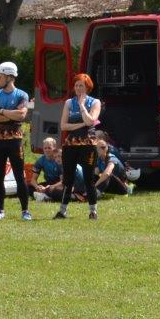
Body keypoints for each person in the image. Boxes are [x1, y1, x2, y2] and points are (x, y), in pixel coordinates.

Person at [0, 61, 31, 220]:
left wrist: (1, 111)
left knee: (20, 176)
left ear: (9, 77)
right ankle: (0, 210)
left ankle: (25, 211)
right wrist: (11, 116)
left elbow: (21, 115)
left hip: (15, 142)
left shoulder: (22, 95)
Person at [55, 73, 102, 219]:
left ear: (87, 87)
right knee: (68, 179)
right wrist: (81, 124)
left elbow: (90, 121)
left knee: (89, 178)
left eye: (81, 85)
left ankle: (93, 211)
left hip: (88, 145)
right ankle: (62, 211)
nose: (78, 88)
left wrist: (82, 105)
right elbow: (63, 126)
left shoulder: (95, 102)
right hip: (71, 145)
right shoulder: (69, 103)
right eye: (76, 85)